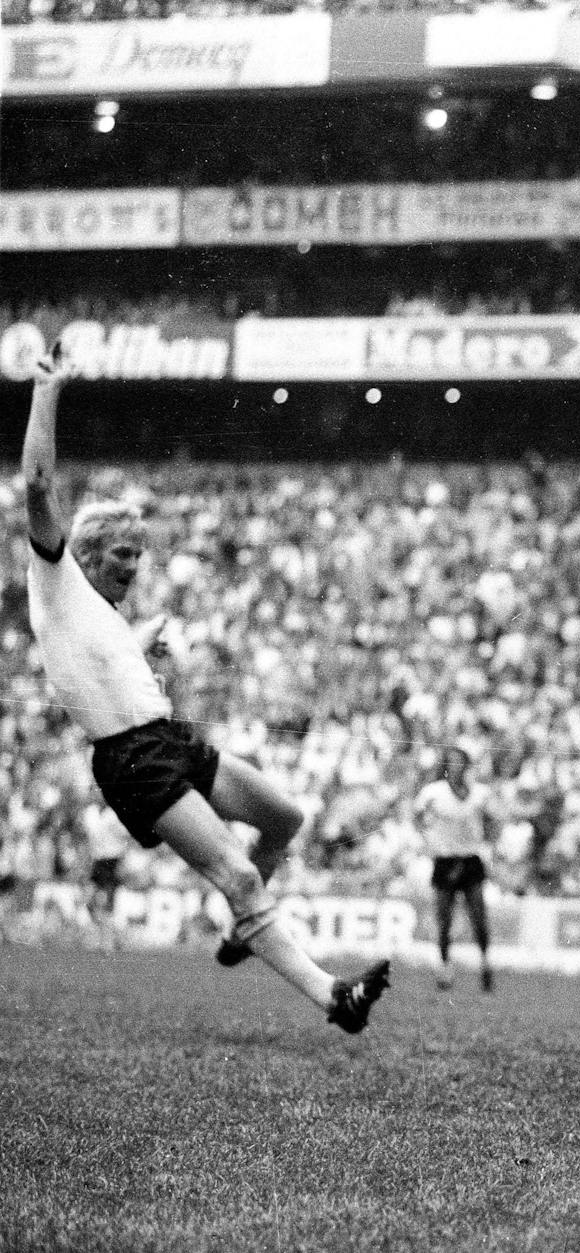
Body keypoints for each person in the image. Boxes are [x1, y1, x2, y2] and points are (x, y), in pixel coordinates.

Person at [20, 344, 389, 1032]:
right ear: (86, 552)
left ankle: (243, 929)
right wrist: (48, 392)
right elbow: (37, 486)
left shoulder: (100, 618)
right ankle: (332, 995)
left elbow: (104, 665)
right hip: (134, 758)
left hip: (167, 737)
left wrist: (142, 641)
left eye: (139, 554)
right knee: (239, 874)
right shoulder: (57, 580)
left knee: (284, 820)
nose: (133, 566)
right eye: (121, 554)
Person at [414, 745, 496, 993]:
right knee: (444, 918)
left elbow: (493, 820)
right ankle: (445, 968)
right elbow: (417, 817)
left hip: (470, 859)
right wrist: (430, 840)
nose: (456, 767)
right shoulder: (433, 793)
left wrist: (487, 842)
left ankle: (485, 964)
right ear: (445, 766)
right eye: (451, 762)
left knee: (478, 916)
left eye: (460, 762)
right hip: (445, 860)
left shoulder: (480, 793)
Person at [82, 800, 132, 941]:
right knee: (88, 899)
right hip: (97, 861)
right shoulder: (90, 812)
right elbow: (86, 838)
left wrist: (123, 862)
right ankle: (104, 932)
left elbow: (126, 836)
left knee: (107, 902)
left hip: (112, 860)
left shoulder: (116, 812)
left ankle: (109, 938)